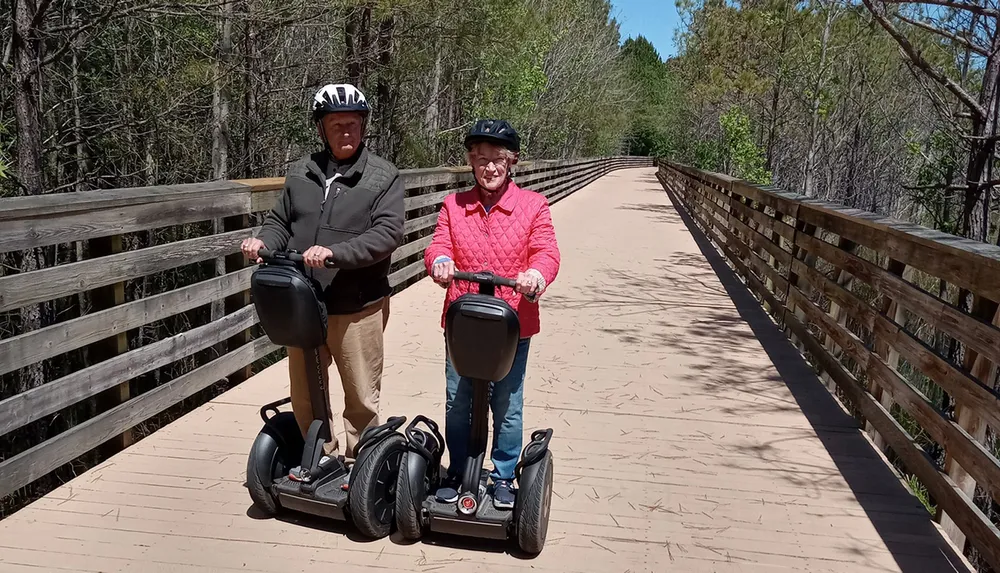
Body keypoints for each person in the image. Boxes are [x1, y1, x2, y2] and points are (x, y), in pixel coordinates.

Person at [241, 83, 405, 471]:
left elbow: (387, 234)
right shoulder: (301, 172)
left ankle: (363, 468)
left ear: (363, 127)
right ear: (321, 128)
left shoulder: (383, 176)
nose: (345, 132)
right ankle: (321, 457)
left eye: (352, 124)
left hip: (356, 305)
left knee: (361, 396)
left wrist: (335, 255)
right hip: (302, 303)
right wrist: (261, 241)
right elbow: (280, 222)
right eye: (335, 125)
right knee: (305, 392)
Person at [423, 119, 561, 509]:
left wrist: (537, 273)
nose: (490, 167)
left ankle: (502, 475)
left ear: (512, 160)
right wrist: (441, 261)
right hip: (464, 323)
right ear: (471, 161)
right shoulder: (454, 205)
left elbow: (546, 251)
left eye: (498, 159)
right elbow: (437, 246)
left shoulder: (533, 206)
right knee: (458, 398)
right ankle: (459, 469)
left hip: (511, 324)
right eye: (481, 159)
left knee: (507, 402)